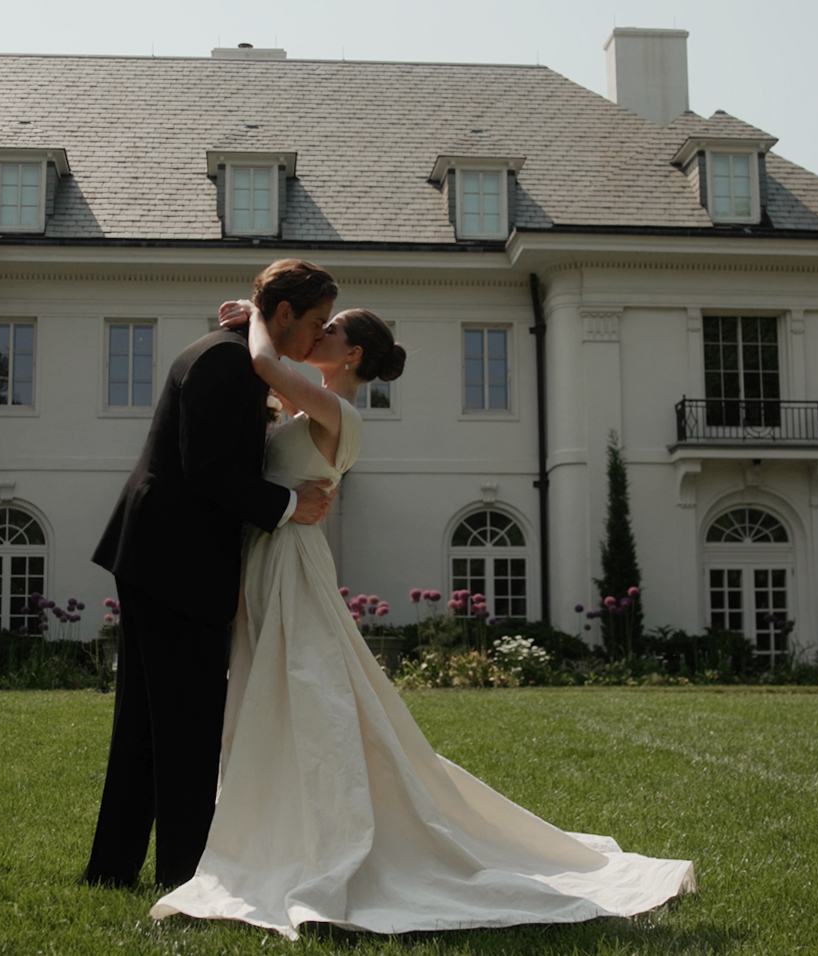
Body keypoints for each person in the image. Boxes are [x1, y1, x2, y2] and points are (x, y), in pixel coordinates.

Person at [151, 302, 696, 937]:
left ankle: (327, 830)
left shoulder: (336, 410)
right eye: (315, 324)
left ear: (351, 356)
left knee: (310, 683)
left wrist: (258, 314)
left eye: (328, 331)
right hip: (266, 554)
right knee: (275, 684)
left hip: (291, 560)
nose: (317, 334)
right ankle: (272, 815)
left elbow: (264, 361)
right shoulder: (303, 407)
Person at [84, 259, 341, 890]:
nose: (315, 338)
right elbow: (209, 470)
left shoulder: (235, 356)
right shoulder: (225, 364)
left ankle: (115, 870)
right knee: (189, 728)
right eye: (314, 323)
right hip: (176, 561)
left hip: (159, 553)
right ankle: (185, 874)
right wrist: (289, 506)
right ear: (283, 314)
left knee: (146, 725)